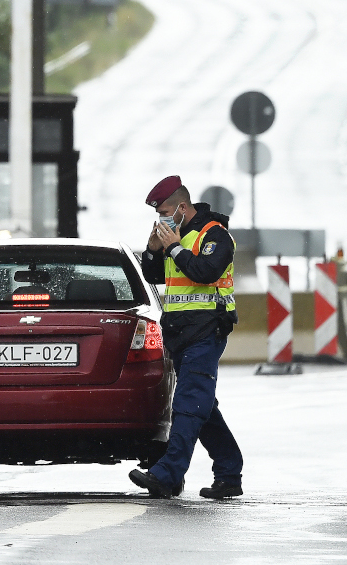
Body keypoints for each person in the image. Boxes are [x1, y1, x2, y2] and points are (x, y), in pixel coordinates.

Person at [129, 175, 244, 500]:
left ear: (182, 206)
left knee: (188, 403)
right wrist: (153, 251)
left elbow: (205, 271)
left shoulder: (214, 235)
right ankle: (229, 470)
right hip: (180, 333)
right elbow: (155, 275)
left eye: (164, 211)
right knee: (202, 405)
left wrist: (175, 247)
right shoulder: (175, 236)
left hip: (207, 329)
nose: (161, 219)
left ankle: (168, 473)